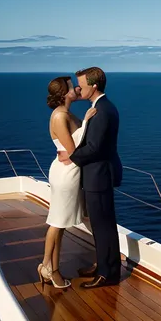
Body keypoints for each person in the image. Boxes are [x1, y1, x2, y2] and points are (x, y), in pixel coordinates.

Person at [58, 67, 123, 288]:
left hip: (99, 176)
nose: (78, 89)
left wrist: (72, 156)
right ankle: (103, 265)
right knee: (100, 225)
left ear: (94, 86)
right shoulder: (101, 107)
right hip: (97, 175)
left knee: (103, 226)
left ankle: (108, 274)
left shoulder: (103, 111)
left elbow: (94, 148)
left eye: (81, 85)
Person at [37, 76, 96, 289]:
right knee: (57, 222)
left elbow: (70, 152)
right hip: (65, 173)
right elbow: (72, 150)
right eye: (73, 87)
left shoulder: (66, 113)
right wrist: (88, 122)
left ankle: (49, 268)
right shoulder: (60, 116)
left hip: (70, 169)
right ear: (64, 94)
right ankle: (49, 269)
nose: (78, 88)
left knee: (60, 224)